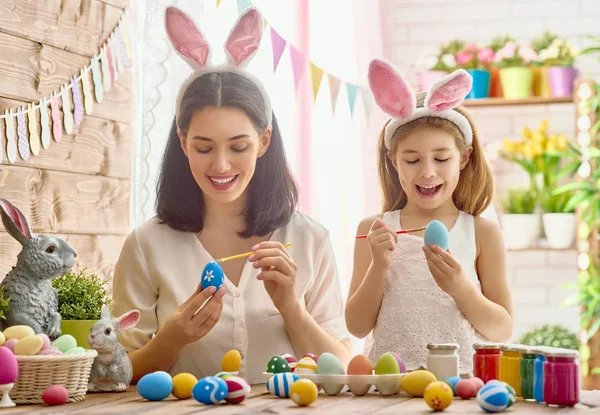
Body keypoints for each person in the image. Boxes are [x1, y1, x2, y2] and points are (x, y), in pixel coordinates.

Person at [111, 6, 350, 384]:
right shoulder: (147, 244)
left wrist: (291, 307)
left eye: (238, 147)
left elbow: (343, 368)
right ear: (183, 142)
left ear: (264, 141)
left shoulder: (309, 239)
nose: (221, 166)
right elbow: (115, 373)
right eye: (204, 148)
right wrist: (171, 340)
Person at [345, 59, 513, 376]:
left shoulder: (482, 232)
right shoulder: (373, 229)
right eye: (412, 159)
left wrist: (461, 287)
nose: (427, 172)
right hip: (391, 388)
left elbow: (502, 329)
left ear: (464, 157)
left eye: (441, 157)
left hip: (462, 388)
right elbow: (356, 326)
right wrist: (379, 264)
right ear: (394, 161)